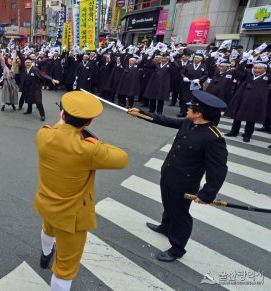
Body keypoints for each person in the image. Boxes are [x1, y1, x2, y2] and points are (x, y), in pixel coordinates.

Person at [35, 91, 129, 291]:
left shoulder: (43, 134)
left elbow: (57, 128)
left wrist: (65, 124)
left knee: (47, 230)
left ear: (62, 115)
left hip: (46, 203)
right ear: (88, 123)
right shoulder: (89, 149)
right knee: (65, 268)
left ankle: (45, 255)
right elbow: (122, 158)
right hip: (71, 216)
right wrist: (91, 140)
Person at [127, 90, 228, 262]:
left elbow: (218, 170)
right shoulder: (189, 123)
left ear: (199, 113)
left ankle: (177, 248)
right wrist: (142, 114)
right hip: (168, 173)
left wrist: (207, 194)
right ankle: (166, 226)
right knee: (168, 203)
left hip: (184, 183)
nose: (187, 107)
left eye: (191, 106)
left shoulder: (213, 138)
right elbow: (166, 120)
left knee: (180, 214)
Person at [224, 60, 271, 143]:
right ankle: (234, 132)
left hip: (255, 102)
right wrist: (245, 60)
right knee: (237, 117)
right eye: (255, 68)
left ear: (265, 69)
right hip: (242, 99)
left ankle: (247, 135)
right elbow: (239, 71)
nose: (257, 70)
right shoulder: (248, 74)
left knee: (250, 119)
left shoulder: (267, 77)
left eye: (260, 68)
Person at [17, 52, 59, 121]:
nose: (27, 64)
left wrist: (52, 79)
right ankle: (29, 110)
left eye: (29, 63)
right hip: (28, 87)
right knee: (29, 99)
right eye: (26, 63)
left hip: (35, 88)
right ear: (24, 64)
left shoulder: (35, 69)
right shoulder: (25, 69)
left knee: (38, 101)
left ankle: (42, 115)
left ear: (31, 63)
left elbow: (43, 75)